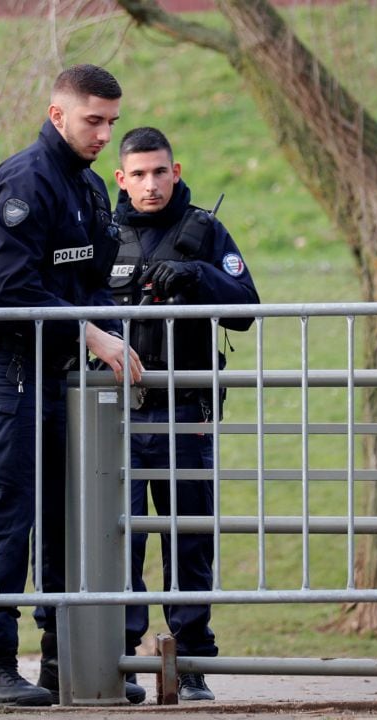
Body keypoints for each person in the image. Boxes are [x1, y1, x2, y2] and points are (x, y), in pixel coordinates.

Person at [0, 64, 144, 707]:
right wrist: (92, 335)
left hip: (65, 378)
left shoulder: (90, 186)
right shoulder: (26, 181)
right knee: (11, 517)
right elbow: (9, 288)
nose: (105, 134)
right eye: (93, 121)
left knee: (64, 522)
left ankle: (60, 662)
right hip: (18, 374)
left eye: (111, 122)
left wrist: (107, 330)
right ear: (58, 115)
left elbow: (95, 279)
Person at [108, 126, 259, 701]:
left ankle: (190, 659)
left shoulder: (204, 229)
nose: (151, 185)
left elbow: (246, 310)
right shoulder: (101, 232)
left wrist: (199, 277)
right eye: (139, 174)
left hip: (184, 415)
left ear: (176, 170)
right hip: (113, 419)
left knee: (188, 539)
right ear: (122, 179)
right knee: (119, 540)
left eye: (160, 172)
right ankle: (121, 660)